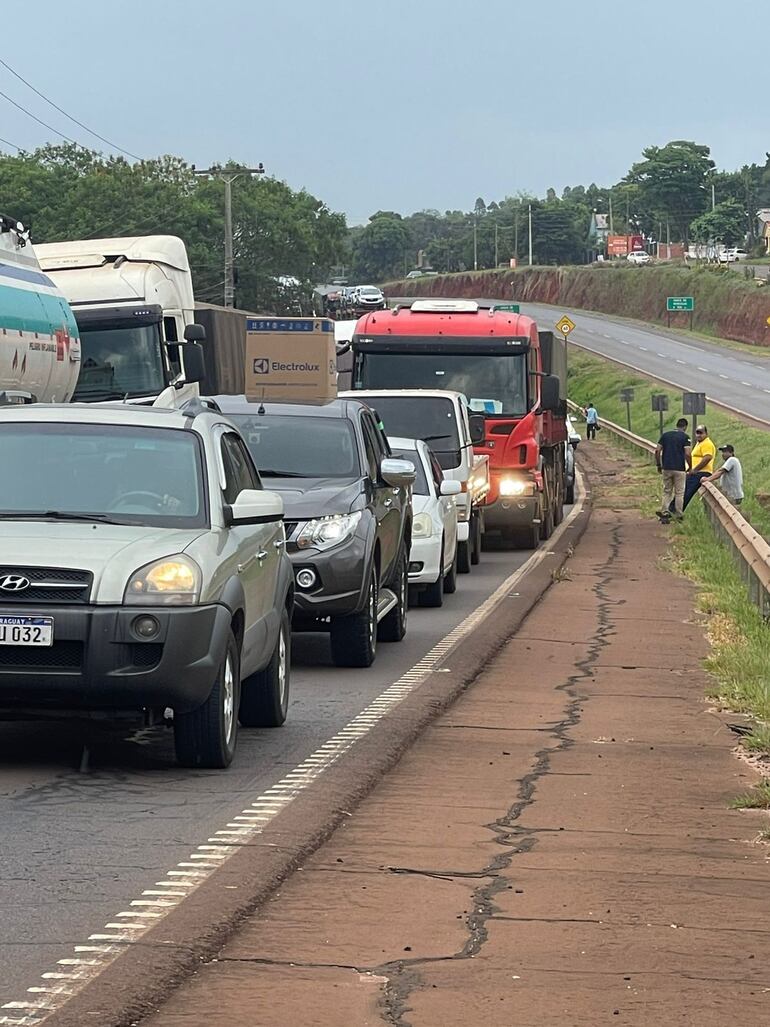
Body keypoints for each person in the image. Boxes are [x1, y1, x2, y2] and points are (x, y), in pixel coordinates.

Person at [655, 417, 691, 523]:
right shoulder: (685, 437)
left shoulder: (665, 435)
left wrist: (658, 464)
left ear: (677, 425)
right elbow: (688, 453)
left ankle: (665, 513)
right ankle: (679, 515)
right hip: (680, 468)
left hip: (666, 467)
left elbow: (657, 451)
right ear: (685, 427)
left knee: (667, 491)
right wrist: (691, 466)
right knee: (679, 492)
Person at [680, 424, 716, 511]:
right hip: (695, 472)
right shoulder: (699, 443)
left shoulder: (707, 444)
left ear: (706, 433)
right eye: (697, 433)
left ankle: (675, 511)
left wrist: (695, 470)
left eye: (701, 433)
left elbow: (707, 457)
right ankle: (674, 510)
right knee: (683, 492)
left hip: (701, 472)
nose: (699, 435)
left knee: (686, 493)